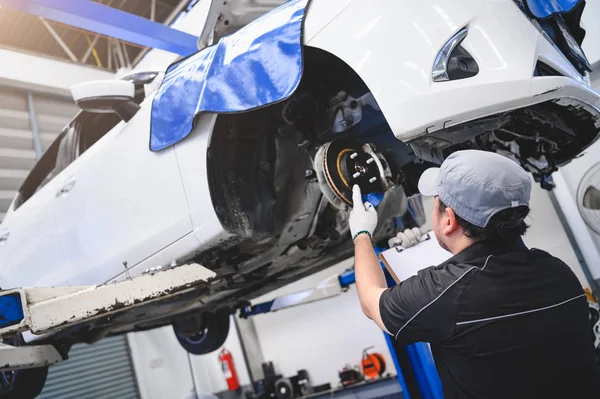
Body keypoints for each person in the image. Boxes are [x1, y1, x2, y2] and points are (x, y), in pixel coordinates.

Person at [349, 149, 600, 399]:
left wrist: (361, 233)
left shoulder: (447, 293)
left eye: (436, 202)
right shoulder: (558, 272)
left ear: (449, 220)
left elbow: (372, 302)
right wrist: (420, 253)